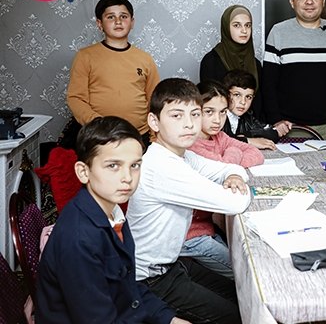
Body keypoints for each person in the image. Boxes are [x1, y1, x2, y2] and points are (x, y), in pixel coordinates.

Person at [35, 116, 188, 324]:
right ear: (83, 172)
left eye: (135, 165)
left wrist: (169, 319)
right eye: (113, 165)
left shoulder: (112, 211)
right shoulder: (80, 239)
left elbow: (128, 287)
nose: (128, 177)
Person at [127, 78, 251, 324]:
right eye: (176, 115)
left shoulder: (182, 156)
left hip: (172, 265)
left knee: (245, 296)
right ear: (154, 121)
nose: (189, 124)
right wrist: (237, 185)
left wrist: (235, 176)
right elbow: (235, 203)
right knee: (239, 316)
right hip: (149, 280)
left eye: (195, 114)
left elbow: (231, 168)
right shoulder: (162, 165)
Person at [182, 80, 263, 280]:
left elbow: (256, 154)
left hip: (207, 225)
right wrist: (233, 153)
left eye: (223, 112)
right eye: (209, 112)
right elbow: (225, 166)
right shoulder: (191, 145)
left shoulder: (219, 137)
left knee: (251, 253)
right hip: (190, 235)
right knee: (248, 272)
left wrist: (229, 158)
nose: (217, 120)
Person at [67, 0, 160, 146]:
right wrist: (97, 123)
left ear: (132, 22)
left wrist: (154, 137)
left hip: (139, 135)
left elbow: (155, 100)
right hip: (100, 136)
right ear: (99, 24)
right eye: (110, 17)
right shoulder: (85, 56)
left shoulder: (145, 59)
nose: (118, 21)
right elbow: (76, 98)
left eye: (123, 16)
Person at [262, 0, 326, 140]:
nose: (309, 1)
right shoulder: (279, 32)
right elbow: (268, 83)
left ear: (323, 1)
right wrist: (276, 120)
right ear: (292, 2)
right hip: (290, 127)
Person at [199, 5, 264, 120]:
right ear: (226, 27)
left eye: (248, 25)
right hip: (220, 124)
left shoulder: (255, 64)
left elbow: (260, 103)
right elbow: (209, 101)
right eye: (237, 25)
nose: (244, 30)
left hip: (251, 125)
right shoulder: (212, 60)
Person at [222, 69, 278, 149]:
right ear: (225, 94)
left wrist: (245, 135)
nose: (243, 102)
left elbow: (273, 132)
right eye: (237, 95)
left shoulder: (247, 117)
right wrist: (248, 141)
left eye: (248, 97)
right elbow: (217, 142)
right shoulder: (218, 116)